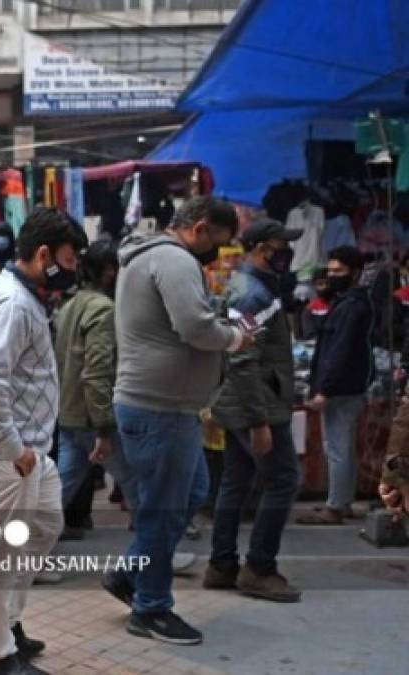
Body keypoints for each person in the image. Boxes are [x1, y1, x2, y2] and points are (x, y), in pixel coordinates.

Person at [104, 196, 252, 646]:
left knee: (188, 496)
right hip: (159, 407)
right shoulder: (173, 259)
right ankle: (151, 608)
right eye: (218, 244)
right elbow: (194, 327)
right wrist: (235, 338)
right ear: (201, 228)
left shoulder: (148, 256)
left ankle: (132, 572)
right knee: (165, 509)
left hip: (164, 406)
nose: (217, 255)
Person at [0, 208, 83, 675]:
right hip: (8, 454)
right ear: (42, 254)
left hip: (31, 451)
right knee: (2, 554)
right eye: (69, 259)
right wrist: (15, 449)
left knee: (43, 531)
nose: (72, 269)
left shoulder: (24, 295)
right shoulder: (14, 302)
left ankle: (5, 624)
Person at [204, 218, 303, 602]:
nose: (287, 253)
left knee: (235, 481)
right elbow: (244, 361)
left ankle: (222, 565)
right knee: (282, 481)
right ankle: (259, 568)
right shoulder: (252, 295)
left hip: (243, 401)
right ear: (263, 248)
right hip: (255, 406)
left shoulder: (254, 288)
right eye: (283, 246)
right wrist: (260, 420)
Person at [53, 242, 140, 527]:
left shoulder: (70, 305)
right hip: (92, 419)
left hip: (69, 414)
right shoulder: (102, 309)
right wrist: (103, 427)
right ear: (108, 271)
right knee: (137, 485)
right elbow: (97, 372)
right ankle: (154, 551)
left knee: (59, 491)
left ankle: (19, 549)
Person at [298, 246, 374, 525]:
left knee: (338, 448)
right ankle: (343, 501)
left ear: (354, 274)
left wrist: (324, 390)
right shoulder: (346, 303)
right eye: (330, 271)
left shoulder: (351, 307)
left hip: (341, 388)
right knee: (344, 447)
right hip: (347, 385)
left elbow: (339, 351)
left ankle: (335, 506)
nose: (332, 276)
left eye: (338, 271)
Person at [300, 269, 331, 341]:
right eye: (320, 284)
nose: (325, 287)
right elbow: (310, 334)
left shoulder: (339, 304)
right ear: (314, 285)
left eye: (327, 283)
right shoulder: (309, 309)